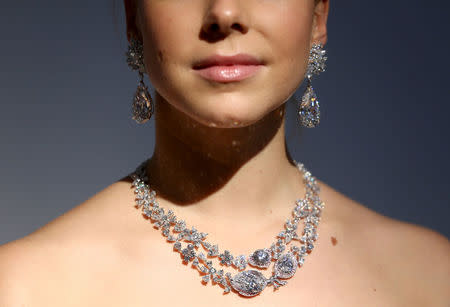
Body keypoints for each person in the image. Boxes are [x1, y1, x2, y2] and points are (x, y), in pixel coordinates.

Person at [0, 0, 449, 305]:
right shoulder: (25, 287)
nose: (225, 12)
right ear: (133, 16)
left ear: (318, 15)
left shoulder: (431, 278)